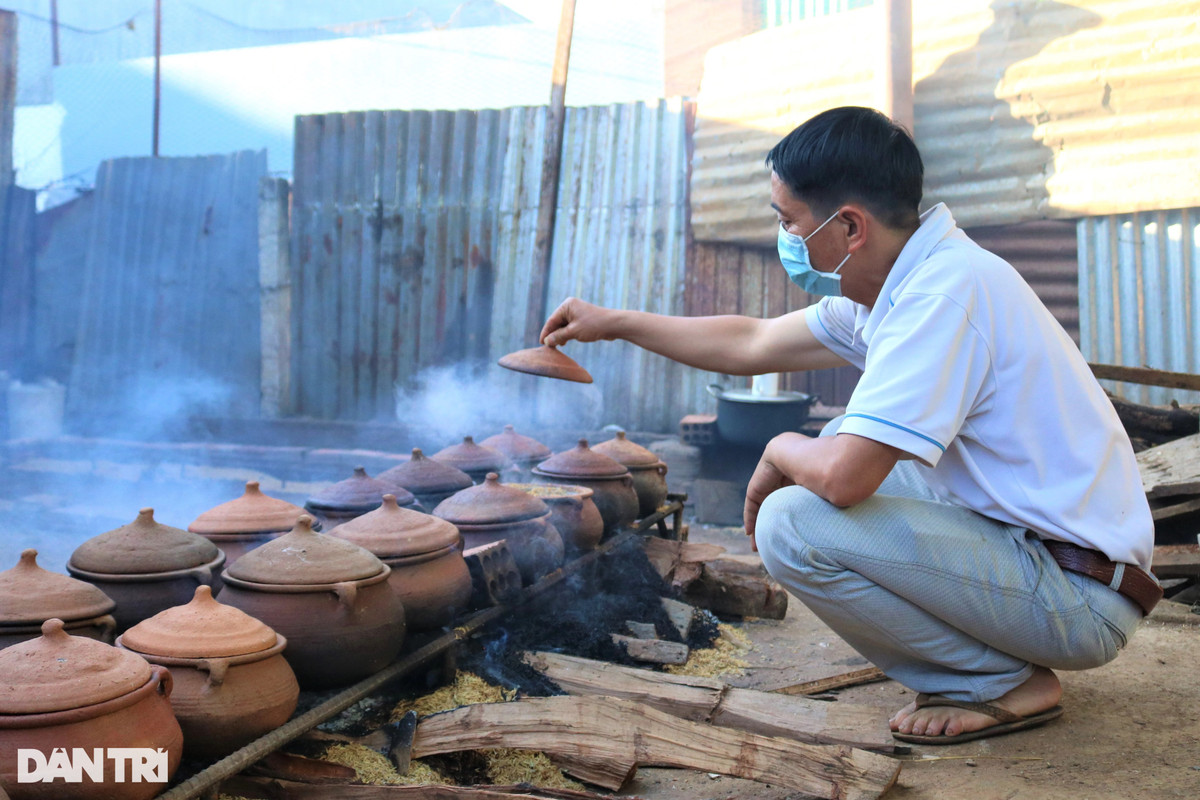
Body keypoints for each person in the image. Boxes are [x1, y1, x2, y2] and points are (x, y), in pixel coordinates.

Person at [538, 105, 1160, 744]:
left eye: (789, 221)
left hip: (1078, 598)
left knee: (791, 518)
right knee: (839, 443)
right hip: (1048, 562)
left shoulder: (940, 296)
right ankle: (992, 663)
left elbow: (843, 481)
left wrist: (780, 447)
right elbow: (752, 341)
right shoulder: (902, 285)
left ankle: (994, 681)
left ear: (850, 227)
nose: (785, 237)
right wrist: (613, 322)